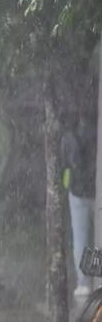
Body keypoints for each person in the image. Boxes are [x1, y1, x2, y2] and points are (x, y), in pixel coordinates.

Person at [61, 112, 97, 297]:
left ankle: (84, 283)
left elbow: (64, 163)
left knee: (80, 238)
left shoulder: (70, 135)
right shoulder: (97, 133)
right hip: (96, 190)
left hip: (76, 191)